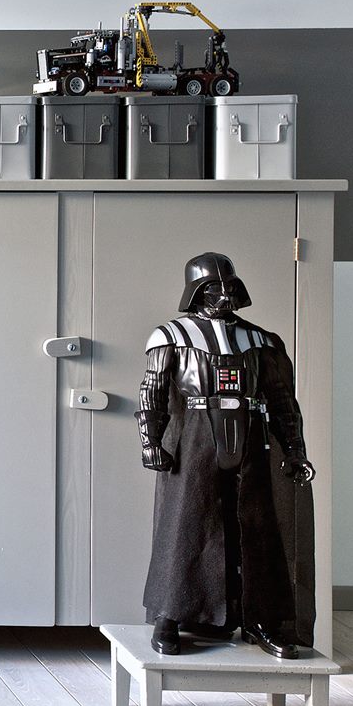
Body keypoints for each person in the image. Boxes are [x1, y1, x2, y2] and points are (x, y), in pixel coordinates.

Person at [135, 252, 315, 658]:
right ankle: (170, 616)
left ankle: (262, 619)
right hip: (195, 439)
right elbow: (152, 392)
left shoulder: (261, 340)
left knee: (258, 530)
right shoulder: (171, 336)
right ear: (196, 291)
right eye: (212, 287)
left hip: (252, 439)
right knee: (184, 528)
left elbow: (283, 401)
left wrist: (295, 450)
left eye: (228, 285)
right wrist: (150, 441)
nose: (223, 294)